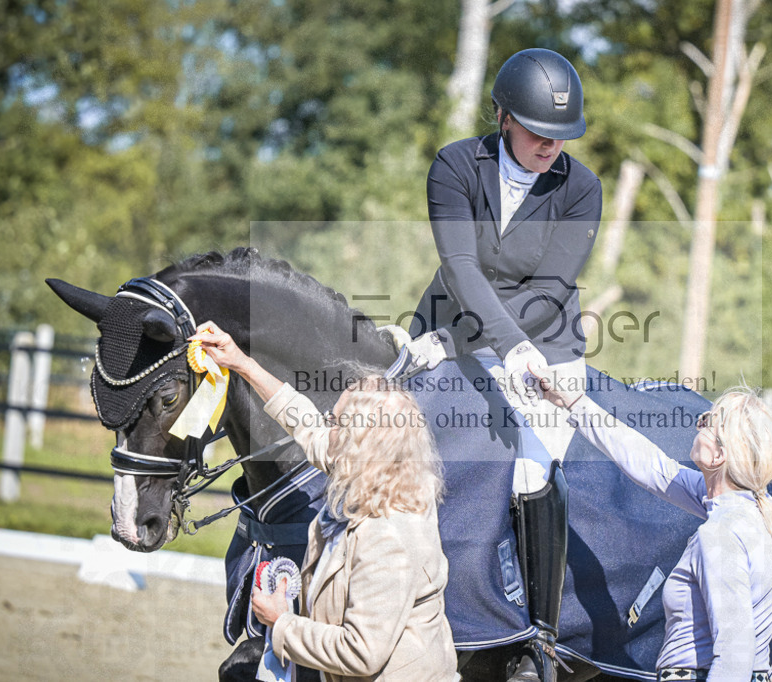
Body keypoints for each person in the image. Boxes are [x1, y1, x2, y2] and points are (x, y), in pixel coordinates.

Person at [387, 47, 602, 682]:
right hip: (445, 329)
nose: (550, 146)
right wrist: (454, 341)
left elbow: (550, 288)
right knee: (381, 441)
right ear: (504, 116)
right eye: (537, 131)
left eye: (561, 135)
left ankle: (538, 636)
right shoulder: (456, 164)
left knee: (532, 467)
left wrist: (485, 345)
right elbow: (459, 267)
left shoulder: (581, 188)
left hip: (545, 347)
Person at [189, 322, 458, 682]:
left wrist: (281, 623)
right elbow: (305, 423)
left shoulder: (388, 536)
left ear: (359, 444)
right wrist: (241, 363)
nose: (326, 425)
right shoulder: (386, 474)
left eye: (336, 422)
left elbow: (361, 653)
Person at [535, 369, 772, 682]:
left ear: (720, 455)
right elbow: (651, 466)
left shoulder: (721, 534)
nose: (698, 425)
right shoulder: (747, 512)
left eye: (707, 422)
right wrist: (575, 402)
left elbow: (734, 656)